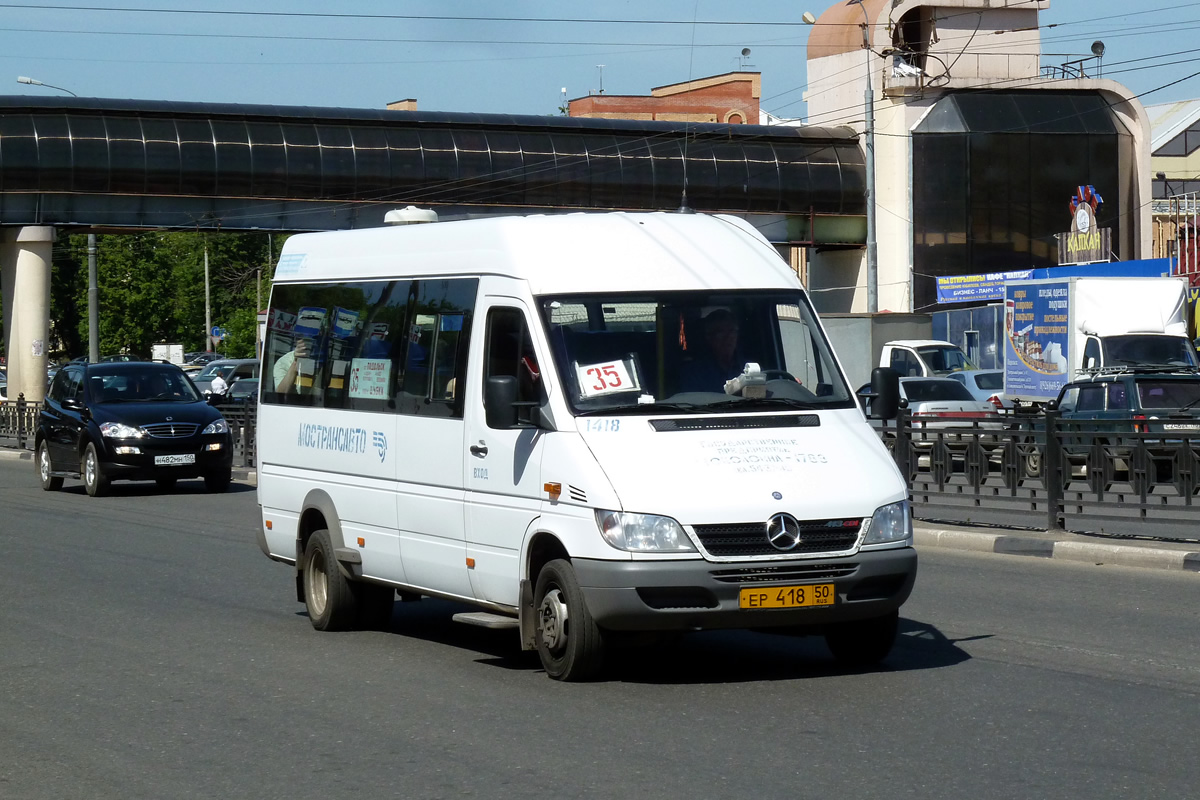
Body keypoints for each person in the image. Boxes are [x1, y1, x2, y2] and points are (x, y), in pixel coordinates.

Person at [679, 308, 746, 393]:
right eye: (721, 333)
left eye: (732, 331)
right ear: (709, 337)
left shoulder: (750, 369)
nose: (728, 337)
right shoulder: (694, 373)